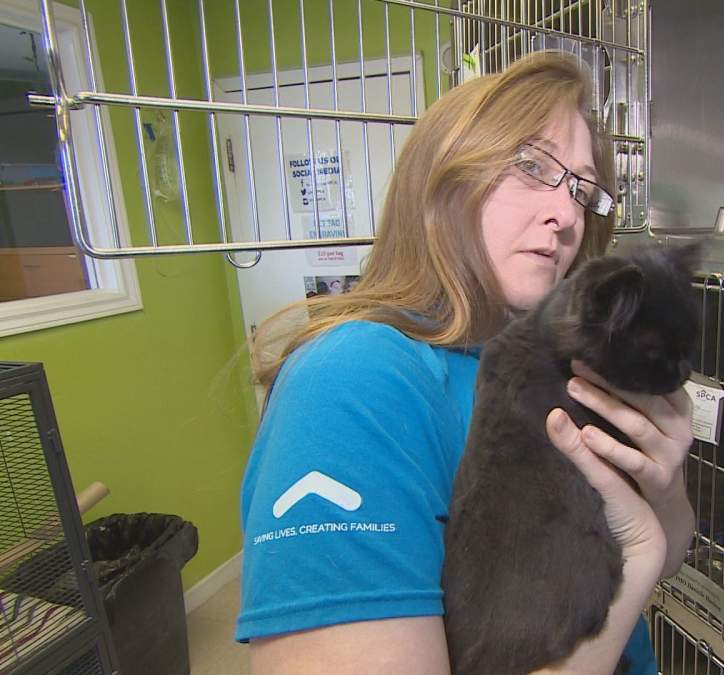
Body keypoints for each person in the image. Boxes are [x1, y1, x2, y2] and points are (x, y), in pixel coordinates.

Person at [237, 51, 696, 674]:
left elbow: (668, 550)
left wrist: (664, 496)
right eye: (531, 166)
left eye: (582, 191)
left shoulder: (557, 357)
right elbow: (645, 558)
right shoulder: (352, 383)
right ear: (442, 178)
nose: (565, 216)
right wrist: (640, 552)